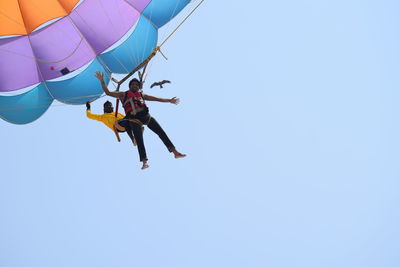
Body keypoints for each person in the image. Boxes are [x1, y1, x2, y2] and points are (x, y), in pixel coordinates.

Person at [95, 71, 186, 170]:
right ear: (129, 86)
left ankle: (175, 152)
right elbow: (108, 93)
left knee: (161, 132)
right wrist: (102, 81)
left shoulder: (141, 95)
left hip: (146, 117)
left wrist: (169, 100)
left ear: (138, 87)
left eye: (137, 85)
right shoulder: (123, 94)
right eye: (133, 84)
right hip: (134, 119)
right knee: (139, 140)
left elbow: (155, 98)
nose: (135, 86)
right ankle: (144, 162)